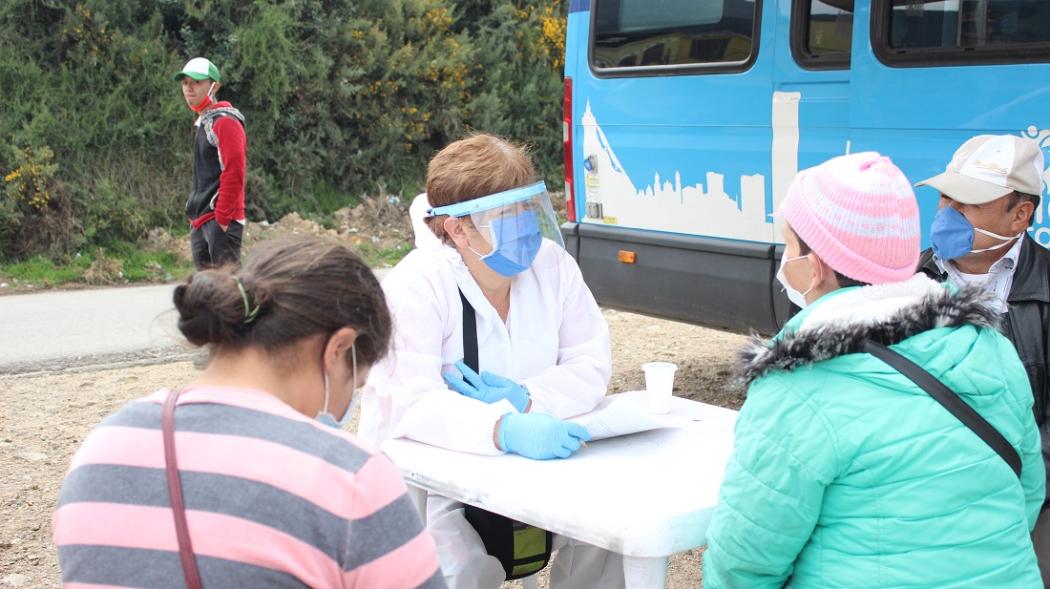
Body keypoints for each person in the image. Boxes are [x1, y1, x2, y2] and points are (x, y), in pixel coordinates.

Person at [703, 152, 1045, 588]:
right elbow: (1027, 494)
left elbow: (747, 559)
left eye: (791, 244)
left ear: (817, 265)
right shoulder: (991, 347)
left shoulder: (797, 384)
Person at [53, 237, 446, 589]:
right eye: (354, 385)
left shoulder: (98, 452)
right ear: (338, 349)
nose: (347, 407)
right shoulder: (352, 478)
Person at [359, 134, 625, 589]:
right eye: (505, 214)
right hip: (435, 483)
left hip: (533, 465)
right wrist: (502, 428)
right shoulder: (417, 286)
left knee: (606, 533)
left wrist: (529, 399)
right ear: (458, 229)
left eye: (527, 209)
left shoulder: (552, 265)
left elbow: (590, 362)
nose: (524, 226)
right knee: (454, 568)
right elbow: (410, 403)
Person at [915, 134, 1050, 585]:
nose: (946, 214)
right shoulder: (907, 282)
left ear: (1019, 217)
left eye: (967, 204)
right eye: (945, 198)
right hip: (922, 482)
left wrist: (996, 481)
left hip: (1028, 486)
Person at [176, 57, 247, 269]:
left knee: (228, 293)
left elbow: (234, 171)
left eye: (197, 82)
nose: (189, 88)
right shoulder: (204, 122)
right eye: (185, 83)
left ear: (213, 86)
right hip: (201, 220)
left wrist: (222, 219)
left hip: (219, 220)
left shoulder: (224, 121)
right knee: (206, 295)